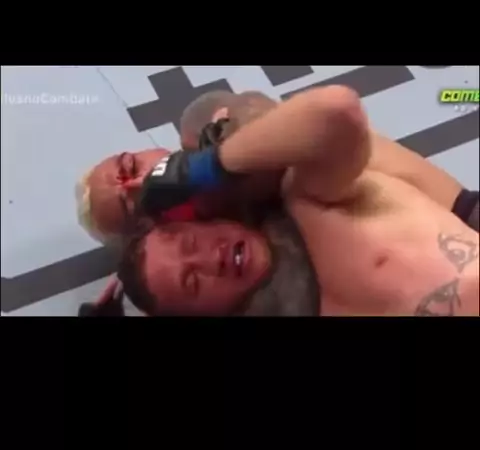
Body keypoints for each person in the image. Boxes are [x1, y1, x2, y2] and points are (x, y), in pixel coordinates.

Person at [115, 85, 479, 317]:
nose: (213, 258)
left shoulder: (306, 201)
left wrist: (209, 166)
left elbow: (336, 111)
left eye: (192, 242)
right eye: (193, 281)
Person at [75, 91, 276, 243]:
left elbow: (264, 113)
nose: (144, 181)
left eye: (132, 167)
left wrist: (210, 158)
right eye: (138, 206)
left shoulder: (198, 125)